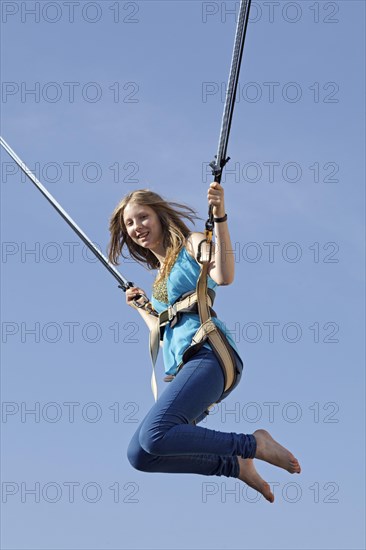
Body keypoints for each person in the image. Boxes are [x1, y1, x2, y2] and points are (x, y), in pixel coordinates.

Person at [107, 182, 301, 503]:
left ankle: (253, 445)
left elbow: (224, 276)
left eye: (142, 217)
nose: (136, 227)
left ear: (159, 216)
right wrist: (142, 307)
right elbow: (162, 326)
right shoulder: (159, 280)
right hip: (190, 365)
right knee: (141, 454)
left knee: (155, 435)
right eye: (129, 223)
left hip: (210, 354)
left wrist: (220, 216)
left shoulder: (192, 245)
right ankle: (234, 465)